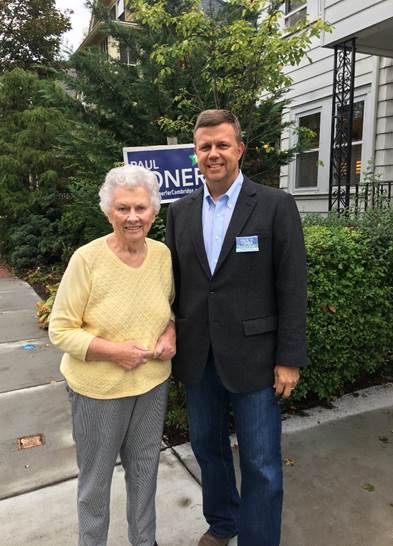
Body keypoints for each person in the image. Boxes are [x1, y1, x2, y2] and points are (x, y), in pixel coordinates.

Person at [166, 110, 307, 546]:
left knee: (262, 461)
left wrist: (289, 358)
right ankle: (224, 522)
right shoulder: (180, 212)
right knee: (208, 450)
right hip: (198, 358)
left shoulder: (274, 205)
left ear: (239, 149)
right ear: (196, 154)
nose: (214, 154)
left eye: (222, 145)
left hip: (256, 360)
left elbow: (291, 284)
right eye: (205, 147)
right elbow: (172, 284)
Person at [49, 165, 175, 546]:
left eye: (140, 208)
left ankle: (144, 540)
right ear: (108, 212)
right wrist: (115, 352)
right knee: (95, 481)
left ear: (154, 211)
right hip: (97, 392)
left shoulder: (162, 254)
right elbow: (61, 329)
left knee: (144, 470)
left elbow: (169, 309)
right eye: (123, 209)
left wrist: (171, 332)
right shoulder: (86, 260)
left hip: (152, 385)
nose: (133, 217)